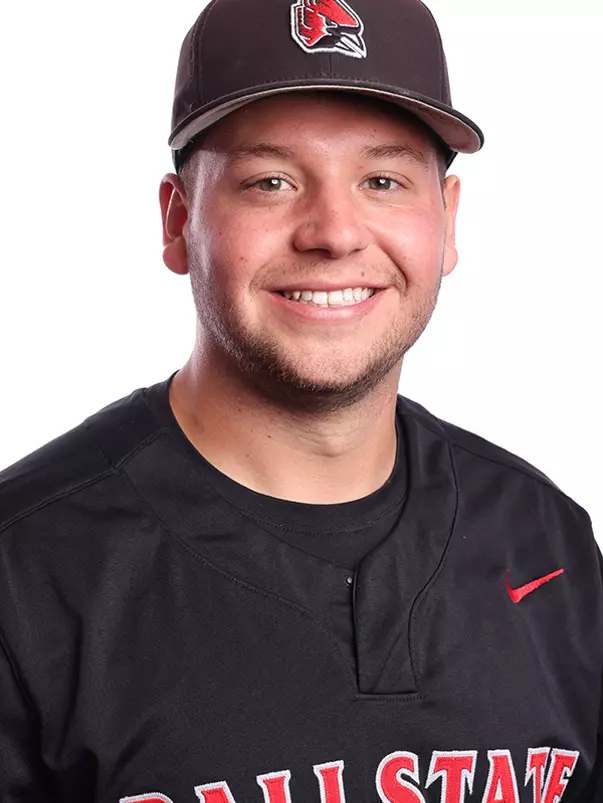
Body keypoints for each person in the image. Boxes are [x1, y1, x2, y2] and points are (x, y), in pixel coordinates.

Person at [0, 0, 601, 800]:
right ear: (179, 222)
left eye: (382, 180)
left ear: (446, 222)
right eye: (270, 181)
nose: (333, 232)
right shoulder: (25, 570)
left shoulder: (544, 537)